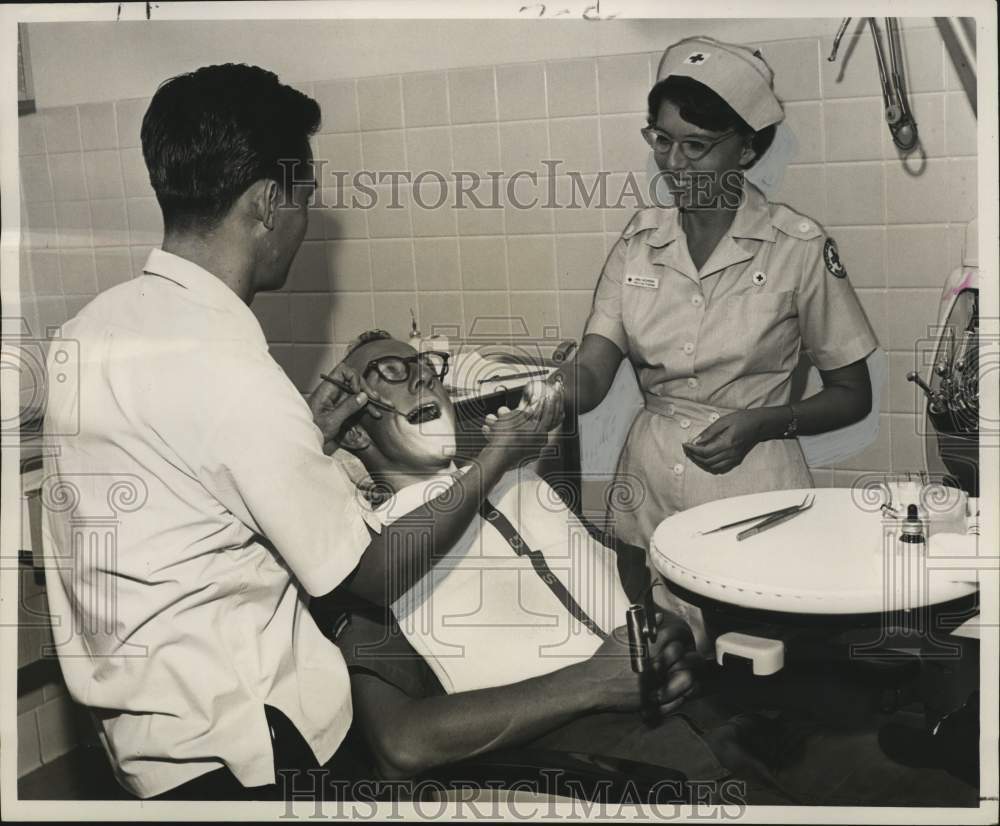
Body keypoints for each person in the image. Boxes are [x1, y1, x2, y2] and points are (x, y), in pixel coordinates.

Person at [40, 64, 556, 801]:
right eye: (304, 203)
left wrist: (302, 439)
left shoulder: (85, 332)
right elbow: (370, 574)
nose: (304, 225)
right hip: (253, 749)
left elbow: (174, 495)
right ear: (266, 205)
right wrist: (497, 458)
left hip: (143, 745)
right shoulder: (233, 368)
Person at [313, 329, 814, 804]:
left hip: (710, 720)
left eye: (427, 366)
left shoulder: (524, 488)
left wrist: (672, 640)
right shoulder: (368, 554)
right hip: (600, 771)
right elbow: (402, 745)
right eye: (393, 371)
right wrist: (592, 684)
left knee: (866, 762)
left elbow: (638, 606)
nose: (424, 378)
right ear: (355, 432)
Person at [552, 36, 878, 554]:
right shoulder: (638, 243)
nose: (674, 164)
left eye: (696, 145)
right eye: (662, 140)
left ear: (746, 147)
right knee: (645, 630)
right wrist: (533, 387)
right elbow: (590, 376)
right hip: (647, 487)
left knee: (750, 636)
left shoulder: (797, 247)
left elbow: (852, 394)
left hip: (753, 492)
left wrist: (767, 421)